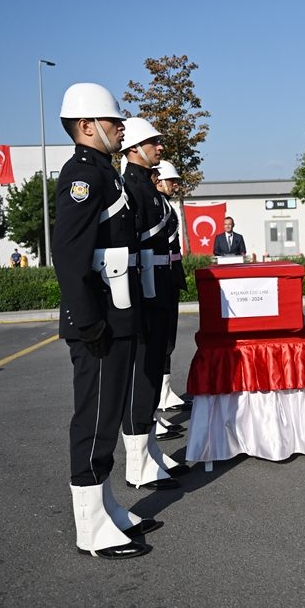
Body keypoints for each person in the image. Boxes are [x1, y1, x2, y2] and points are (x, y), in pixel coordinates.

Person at [53, 82, 152, 559]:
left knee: (107, 415)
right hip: (99, 320)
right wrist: (87, 320)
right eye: (114, 121)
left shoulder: (104, 175)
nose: (121, 127)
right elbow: (69, 254)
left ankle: (106, 506)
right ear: (87, 126)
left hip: (118, 313)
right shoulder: (83, 176)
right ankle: (90, 529)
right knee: (94, 419)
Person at [119, 117, 183, 485]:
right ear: (134, 149)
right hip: (144, 294)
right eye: (152, 142)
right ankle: (138, 464)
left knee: (152, 374)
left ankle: (150, 453)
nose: (160, 147)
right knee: (141, 379)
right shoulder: (130, 188)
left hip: (158, 288)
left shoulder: (147, 188)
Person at [153, 160, 189, 416]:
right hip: (160, 276)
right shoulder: (155, 203)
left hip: (170, 274)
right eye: (171, 181)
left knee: (168, 339)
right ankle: (158, 396)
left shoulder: (164, 204)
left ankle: (164, 391)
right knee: (160, 339)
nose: (175, 185)